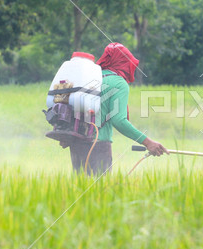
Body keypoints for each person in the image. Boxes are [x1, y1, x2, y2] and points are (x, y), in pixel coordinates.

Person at [68, 43, 168, 175]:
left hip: (76, 143)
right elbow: (119, 120)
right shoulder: (118, 82)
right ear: (122, 63)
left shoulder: (90, 78)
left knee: (81, 189)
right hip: (98, 144)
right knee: (101, 192)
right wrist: (148, 142)